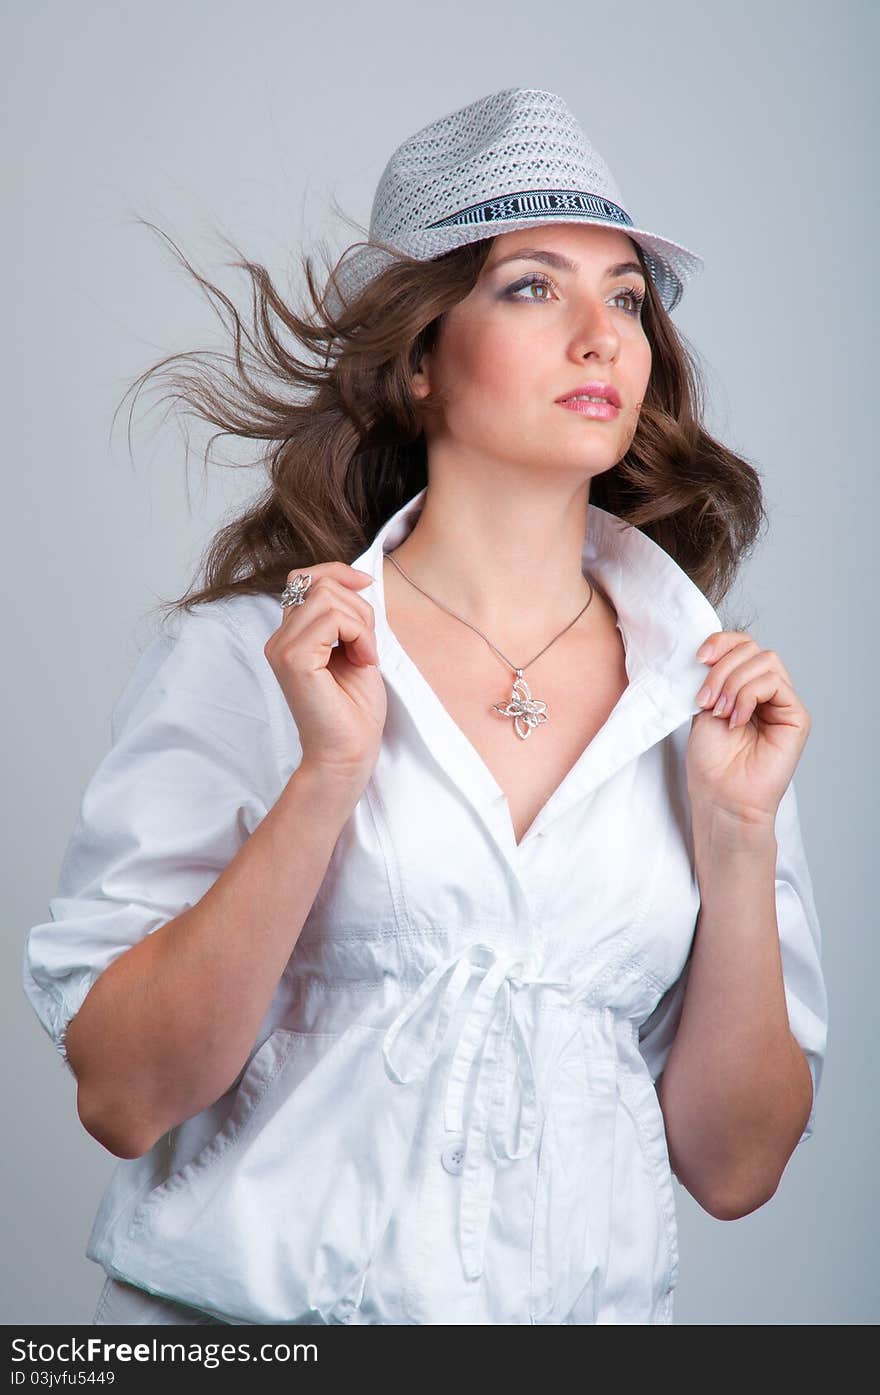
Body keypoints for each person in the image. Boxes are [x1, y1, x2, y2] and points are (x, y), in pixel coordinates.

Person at [22, 86, 827, 1326]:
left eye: (624, 296)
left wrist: (736, 843)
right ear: (414, 359)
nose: (600, 334)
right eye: (530, 285)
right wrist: (327, 779)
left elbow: (735, 1170)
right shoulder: (254, 660)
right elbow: (122, 1097)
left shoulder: (699, 695)